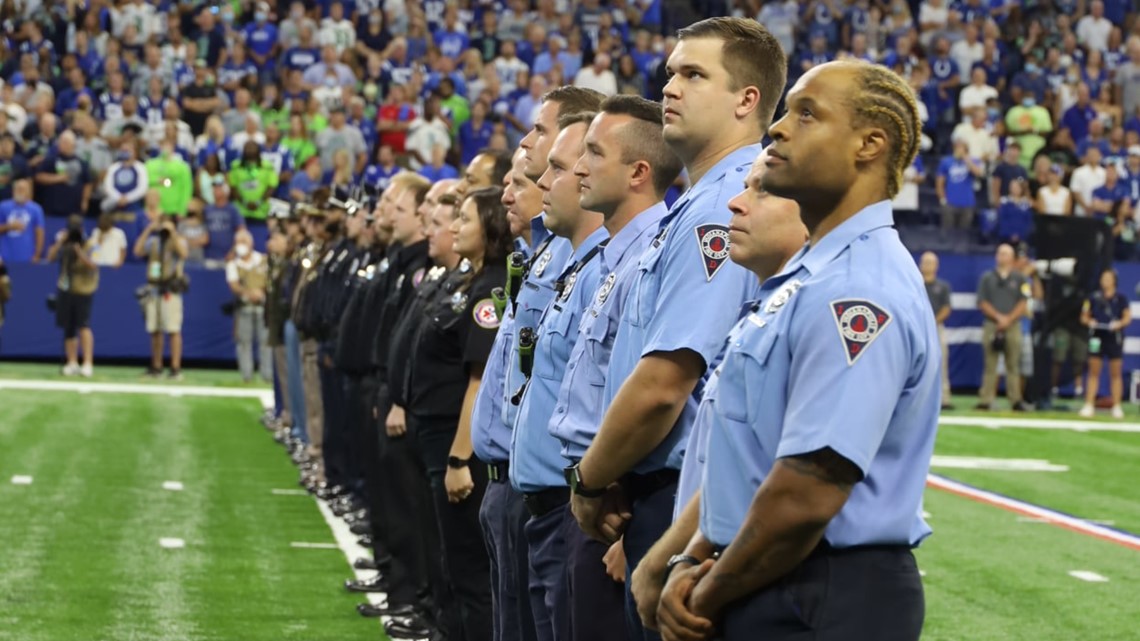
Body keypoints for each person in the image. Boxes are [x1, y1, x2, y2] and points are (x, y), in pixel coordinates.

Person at [655, 59, 936, 641]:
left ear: (869, 145)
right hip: (773, 576)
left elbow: (807, 490)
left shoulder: (857, 287)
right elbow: (756, 461)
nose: (779, 128)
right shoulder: (808, 276)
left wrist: (705, 592)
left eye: (807, 114)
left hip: (820, 590)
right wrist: (685, 560)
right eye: (786, 112)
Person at [566, 18, 787, 641]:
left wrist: (590, 479)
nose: (671, 86)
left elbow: (668, 380)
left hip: (679, 495)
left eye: (694, 74)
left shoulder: (724, 206)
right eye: (671, 72)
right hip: (658, 489)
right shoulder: (698, 201)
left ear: (748, 100)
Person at [519, 95, 682, 641]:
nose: (578, 169)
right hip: (586, 503)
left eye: (590, 153)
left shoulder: (652, 256)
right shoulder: (612, 256)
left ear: (638, 173)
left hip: (612, 511)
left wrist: (622, 521)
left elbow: (662, 394)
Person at [627, 147, 807, 630]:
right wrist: (683, 556)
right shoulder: (764, 306)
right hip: (718, 556)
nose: (736, 203)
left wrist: (689, 568)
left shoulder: (818, 305)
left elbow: (797, 485)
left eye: (761, 190)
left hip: (774, 577)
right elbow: (730, 466)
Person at [470, 86, 602, 641]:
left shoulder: (590, 258)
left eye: (540, 133)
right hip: (521, 481)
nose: (528, 148)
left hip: (557, 496)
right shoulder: (546, 252)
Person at [395, 187, 514, 641]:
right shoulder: (470, 280)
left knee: (469, 572)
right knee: (452, 562)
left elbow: (479, 380)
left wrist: (459, 458)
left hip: (456, 439)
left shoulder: (490, 287)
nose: (455, 227)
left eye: (465, 219)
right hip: (439, 432)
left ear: (489, 229)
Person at [133, 207, 190, 379]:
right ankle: (156, 366)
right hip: (154, 288)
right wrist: (149, 229)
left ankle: (175, 368)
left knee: (173, 329)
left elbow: (184, 253)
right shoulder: (155, 241)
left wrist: (172, 233)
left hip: (170, 288)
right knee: (155, 330)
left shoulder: (177, 240)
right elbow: (137, 251)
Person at [975, 243, 1031, 411]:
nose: (1002, 256)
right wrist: (999, 318)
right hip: (992, 324)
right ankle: (986, 399)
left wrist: (1009, 319)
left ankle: (1015, 399)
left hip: (1013, 325)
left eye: (1006, 254)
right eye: (1000, 253)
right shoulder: (987, 277)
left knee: (1013, 364)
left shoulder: (1020, 278)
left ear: (1012, 258)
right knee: (990, 364)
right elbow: (982, 301)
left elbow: (1023, 301)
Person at [45, 217, 99, 377]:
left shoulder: (90, 243)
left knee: (84, 325)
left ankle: (88, 363)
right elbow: (50, 258)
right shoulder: (64, 243)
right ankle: (72, 362)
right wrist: (60, 243)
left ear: (82, 229)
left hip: (83, 289)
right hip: (66, 289)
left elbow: (94, 265)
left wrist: (79, 252)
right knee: (68, 327)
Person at [1079, 268, 1131, 418]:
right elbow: (1084, 317)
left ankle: (1116, 405)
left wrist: (1118, 324)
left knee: (1115, 372)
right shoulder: (1093, 298)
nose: (1105, 281)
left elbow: (1127, 317)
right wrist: (1091, 322)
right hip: (1097, 335)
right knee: (1093, 371)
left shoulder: (1121, 299)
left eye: (1108, 278)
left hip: (1114, 336)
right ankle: (1089, 404)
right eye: (1103, 278)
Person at [226, 229, 273, 383]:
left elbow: (270, 281)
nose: (241, 245)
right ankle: (246, 375)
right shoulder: (233, 263)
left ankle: (267, 374)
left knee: (265, 341)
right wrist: (249, 292)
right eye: (238, 242)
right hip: (244, 307)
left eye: (244, 241)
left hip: (263, 306)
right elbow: (234, 285)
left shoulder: (263, 260)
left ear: (251, 243)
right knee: (244, 342)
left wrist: (261, 291)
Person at [921, 252, 954, 410]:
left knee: (942, 362)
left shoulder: (943, 286)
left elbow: (946, 308)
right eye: (925, 262)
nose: (927, 265)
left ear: (936, 266)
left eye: (930, 262)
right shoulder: (915, 284)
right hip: (918, 328)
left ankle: (944, 399)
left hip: (936, 327)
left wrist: (933, 322)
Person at [0, 179, 45, 263]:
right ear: (13, 190)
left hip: (27, 257)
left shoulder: (36, 209)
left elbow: (39, 233)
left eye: (23, 189)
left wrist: (37, 255)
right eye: (18, 189)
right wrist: (9, 226)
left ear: (28, 192)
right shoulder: (3, 207)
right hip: (5, 257)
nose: (20, 192)